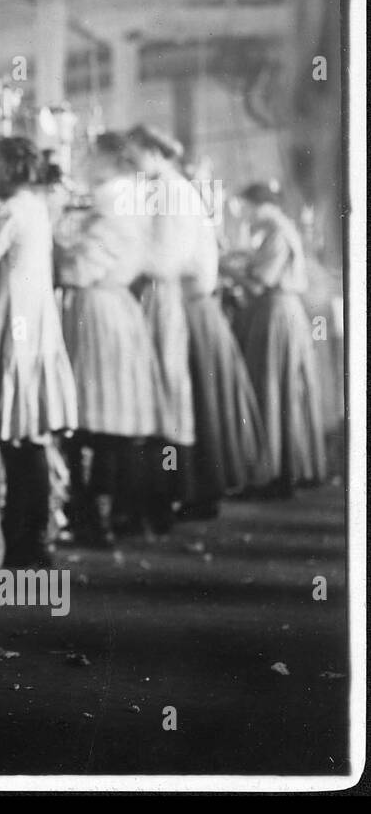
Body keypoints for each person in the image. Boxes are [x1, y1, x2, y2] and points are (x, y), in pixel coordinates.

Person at [0, 136, 78, 567]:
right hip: (31, 327)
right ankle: (32, 541)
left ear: (9, 169)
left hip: (12, 328)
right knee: (27, 435)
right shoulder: (35, 207)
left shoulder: (11, 210)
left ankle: (27, 544)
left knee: (19, 438)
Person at [55, 133, 159, 547]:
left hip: (96, 312)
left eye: (92, 156)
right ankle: (107, 512)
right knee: (109, 421)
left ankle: (93, 515)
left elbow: (77, 269)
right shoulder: (124, 205)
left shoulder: (111, 207)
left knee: (91, 419)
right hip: (113, 308)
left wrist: (60, 242)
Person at [179, 183, 274, 517]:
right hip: (205, 315)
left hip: (197, 315)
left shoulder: (190, 226)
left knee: (204, 403)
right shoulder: (201, 226)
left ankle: (203, 491)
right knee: (210, 402)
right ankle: (206, 488)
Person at [125, 124, 199, 533]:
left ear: (152, 151)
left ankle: (163, 499)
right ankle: (161, 499)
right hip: (155, 292)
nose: (131, 164)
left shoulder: (171, 191)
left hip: (160, 293)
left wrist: (126, 262)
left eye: (134, 155)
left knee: (163, 393)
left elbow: (163, 255)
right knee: (161, 393)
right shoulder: (166, 187)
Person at [235, 181, 327, 495]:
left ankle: (276, 474)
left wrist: (227, 269)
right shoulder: (280, 231)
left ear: (263, 205)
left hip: (276, 313)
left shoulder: (277, 232)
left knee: (273, 389)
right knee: (283, 390)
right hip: (281, 312)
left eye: (248, 208)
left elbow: (260, 283)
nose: (246, 215)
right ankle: (285, 469)